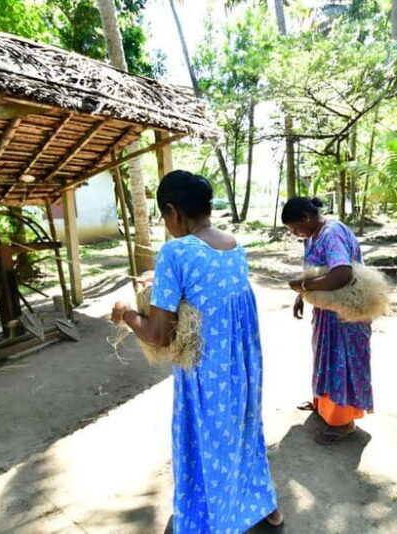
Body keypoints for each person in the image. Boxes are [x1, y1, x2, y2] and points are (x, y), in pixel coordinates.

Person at [111, 170, 282, 533]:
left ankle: (216, 520)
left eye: (163, 216)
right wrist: (159, 283)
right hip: (244, 368)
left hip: (207, 373)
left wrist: (126, 313)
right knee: (244, 434)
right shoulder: (233, 245)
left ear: (172, 211)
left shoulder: (175, 252)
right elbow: (208, 288)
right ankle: (263, 504)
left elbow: (159, 335)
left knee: (208, 443)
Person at [282, 197, 373, 445]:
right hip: (327, 313)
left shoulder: (332, 233)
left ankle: (342, 422)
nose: (295, 234)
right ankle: (323, 405)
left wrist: (303, 286)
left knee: (341, 364)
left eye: (295, 228)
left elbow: (342, 274)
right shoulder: (313, 236)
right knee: (325, 359)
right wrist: (303, 295)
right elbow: (316, 273)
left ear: (306, 218)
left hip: (346, 314)